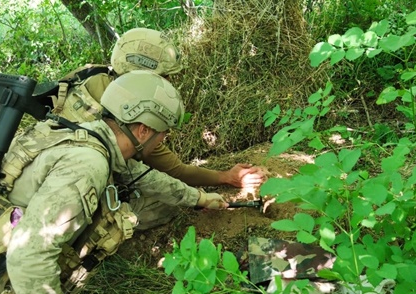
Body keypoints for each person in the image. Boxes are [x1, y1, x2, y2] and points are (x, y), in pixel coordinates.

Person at [0, 70, 226, 294]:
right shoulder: (88, 165)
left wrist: (198, 197)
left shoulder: (83, 134)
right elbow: (28, 259)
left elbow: (144, 176)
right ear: (143, 131)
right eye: (163, 133)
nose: (163, 139)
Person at [47, 27, 267, 193]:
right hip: (66, 191)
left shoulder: (92, 76)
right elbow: (176, 172)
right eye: (163, 77)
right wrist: (226, 177)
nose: (169, 82)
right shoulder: (130, 115)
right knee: (160, 204)